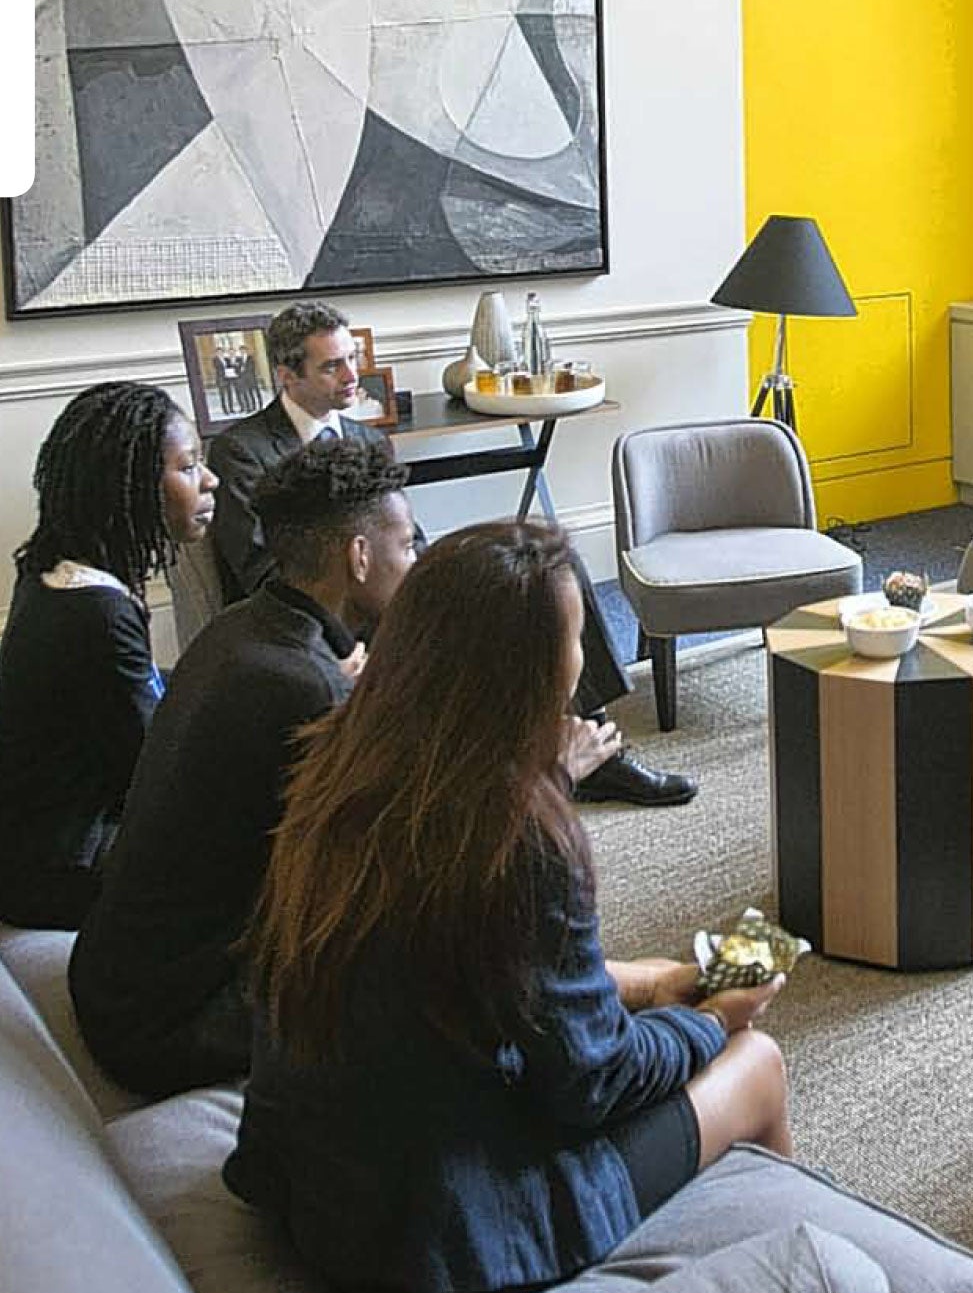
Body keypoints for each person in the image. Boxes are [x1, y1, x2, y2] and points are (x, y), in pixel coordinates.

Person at [225, 521, 791, 1293]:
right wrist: (711, 1020)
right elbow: (594, 1082)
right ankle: (788, 1246)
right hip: (448, 1235)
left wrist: (643, 986)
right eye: (574, 637)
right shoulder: (517, 835)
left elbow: (473, 971)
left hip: (317, 1190)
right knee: (756, 1063)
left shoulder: (342, 755)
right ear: (526, 669)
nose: (584, 659)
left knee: (667, 1005)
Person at [207, 300, 693, 807]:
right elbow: (261, 568)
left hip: (400, 586)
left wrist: (434, 577)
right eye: (332, 365)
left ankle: (598, 749)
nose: (352, 375)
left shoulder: (365, 436)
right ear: (287, 375)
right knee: (510, 607)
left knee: (549, 562)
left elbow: (407, 535)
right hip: (341, 614)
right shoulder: (243, 450)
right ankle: (540, 763)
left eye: (353, 358)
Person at [69, 439, 415, 1095]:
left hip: (109, 976)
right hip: (170, 1023)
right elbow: (375, 867)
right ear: (360, 556)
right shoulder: (307, 686)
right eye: (408, 546)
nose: (417, 562)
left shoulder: (239, 629)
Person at [0, 382, 216, 928]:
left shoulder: (51, 572)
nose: (210, 480)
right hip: (61, 867)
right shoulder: (96, 614)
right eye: (188, 467)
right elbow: (157, 778)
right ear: (137, 486)